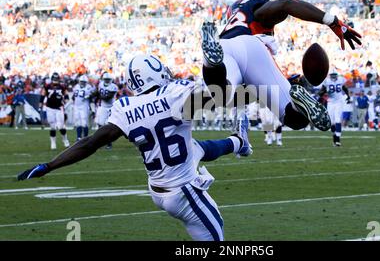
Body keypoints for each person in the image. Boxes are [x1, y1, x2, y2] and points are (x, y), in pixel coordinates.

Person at [17, 23, 253, 241]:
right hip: (183, 191)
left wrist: (48, 166)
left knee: (195, 148)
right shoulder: (174, 94)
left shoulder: (124, 108)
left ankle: (238, 141)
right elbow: (218, 95)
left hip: (157, 189)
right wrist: (213, 66)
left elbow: (89, 143)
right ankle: (214, 71)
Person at [205, 0, 361, 134]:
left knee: (222, 94)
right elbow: (285, 4)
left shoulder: (232, 24)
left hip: (224, 47)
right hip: (253, 47)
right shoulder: (254, 10)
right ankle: (296, 104)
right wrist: (331, 21)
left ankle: (211, 63)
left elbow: (244, 96)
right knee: (296, 120)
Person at [319, 70, 350, 146]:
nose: (333, 76)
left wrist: (348, 96)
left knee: (337, 120)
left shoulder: (341, 80)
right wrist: (324, 92)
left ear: (337, 75)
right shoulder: (327, 81)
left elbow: (345, 88)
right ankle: (334, 137)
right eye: (332, 75)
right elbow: (320, 93)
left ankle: (338, 139)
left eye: (334, 75)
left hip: (339, 102)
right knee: (331, 122)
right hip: (330, 103)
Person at [41, 72, 70, 149]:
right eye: (54, 79)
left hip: (59, 108)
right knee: (52, 127)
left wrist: (66, 100)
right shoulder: (47, 86)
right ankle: (53, 143)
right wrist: (40, 103)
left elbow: (66, 95)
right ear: (52, 79)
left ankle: (65, 140)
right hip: (50, 108)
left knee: (60, 126)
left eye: (56, 79)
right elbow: (43, 95)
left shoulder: (62, 87)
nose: (55, 80)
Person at [94, 73, 118, 149]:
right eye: (106, 79)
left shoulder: (113, 87)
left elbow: (108, 98)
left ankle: (109, 143)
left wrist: (97, 95)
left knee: (108, 125)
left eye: (108, 79)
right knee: (100, 124)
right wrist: (95, 95)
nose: (107, 81)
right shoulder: (100, 84)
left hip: (111, 107)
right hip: (102, 107)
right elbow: (98, 93)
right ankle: (99, 142)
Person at [72, 75, 93, 140]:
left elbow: (92, 95)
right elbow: (74, 96)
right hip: (76, 106)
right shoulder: (76, 86)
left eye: (84, 82)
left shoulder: (89, 87)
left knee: (84, 122)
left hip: (84, 106)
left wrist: (88, 96)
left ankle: (85, 137)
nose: (82, 83)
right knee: (78, 122)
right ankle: (78, 137)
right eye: (81, 81)